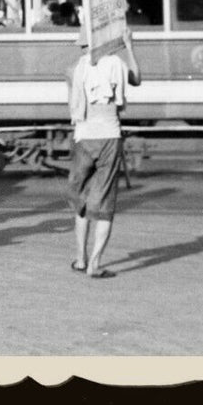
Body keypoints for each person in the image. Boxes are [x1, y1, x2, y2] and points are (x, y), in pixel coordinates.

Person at [66, 27, 142, 279]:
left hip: (84, 137)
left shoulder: (76, 68)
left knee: (82, 199)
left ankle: (80, 258)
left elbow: (74, 99)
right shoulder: (117, 64)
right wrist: (128, 46)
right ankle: (94, 264)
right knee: (105, 200)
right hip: (109, 136)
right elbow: (137, 78)